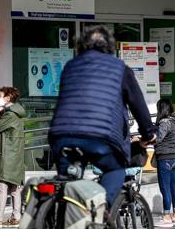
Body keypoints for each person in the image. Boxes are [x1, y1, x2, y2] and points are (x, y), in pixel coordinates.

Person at [49, 25, 156, 209]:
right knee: (115, 169)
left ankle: (63, 226)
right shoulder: (119, 68)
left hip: (62, 135)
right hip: (101, 138)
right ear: (110, 47)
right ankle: (101, 210)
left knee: (68, 182)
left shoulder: (70, 66)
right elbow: (138, 105)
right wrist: (148, 133)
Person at [0, 87, 26, 228]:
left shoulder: (10, 116)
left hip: (8, 155)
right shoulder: (15, 114)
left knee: (2, 187)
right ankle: (16, 217)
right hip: (15, 156)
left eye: (0, 96)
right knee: (15, 188)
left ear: (8, 98)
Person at [153, 99, 175, 228]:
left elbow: (158, 138)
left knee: (165, 188)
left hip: (164, 158)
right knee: (173, 187)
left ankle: (166, 217)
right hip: (174, 157)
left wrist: (145, 139)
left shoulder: (164, 123)